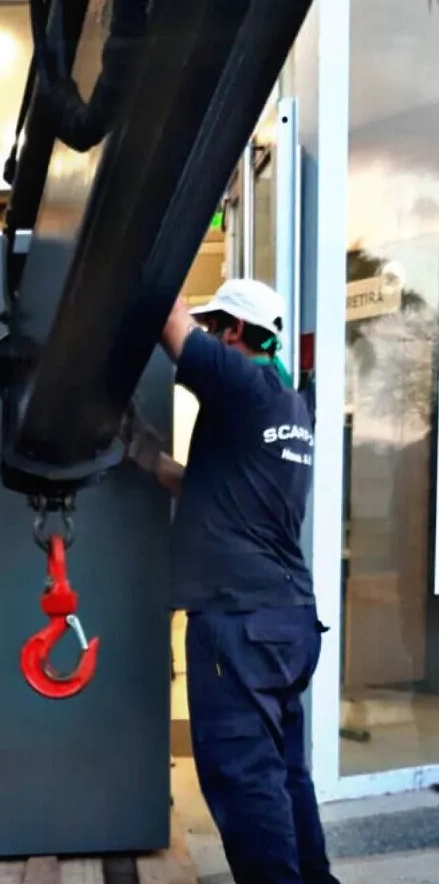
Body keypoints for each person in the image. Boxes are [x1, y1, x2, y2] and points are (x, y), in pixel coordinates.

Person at [125, 278, 337, 884]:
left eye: (216, 327)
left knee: (244, 784)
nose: (209, 336)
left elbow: (169, 318)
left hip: (240, 626)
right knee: (284, 775)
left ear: (235, 332)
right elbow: (212, 491)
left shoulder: (246, 385)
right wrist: (145, 456)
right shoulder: (286, 407)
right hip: (286, 620)